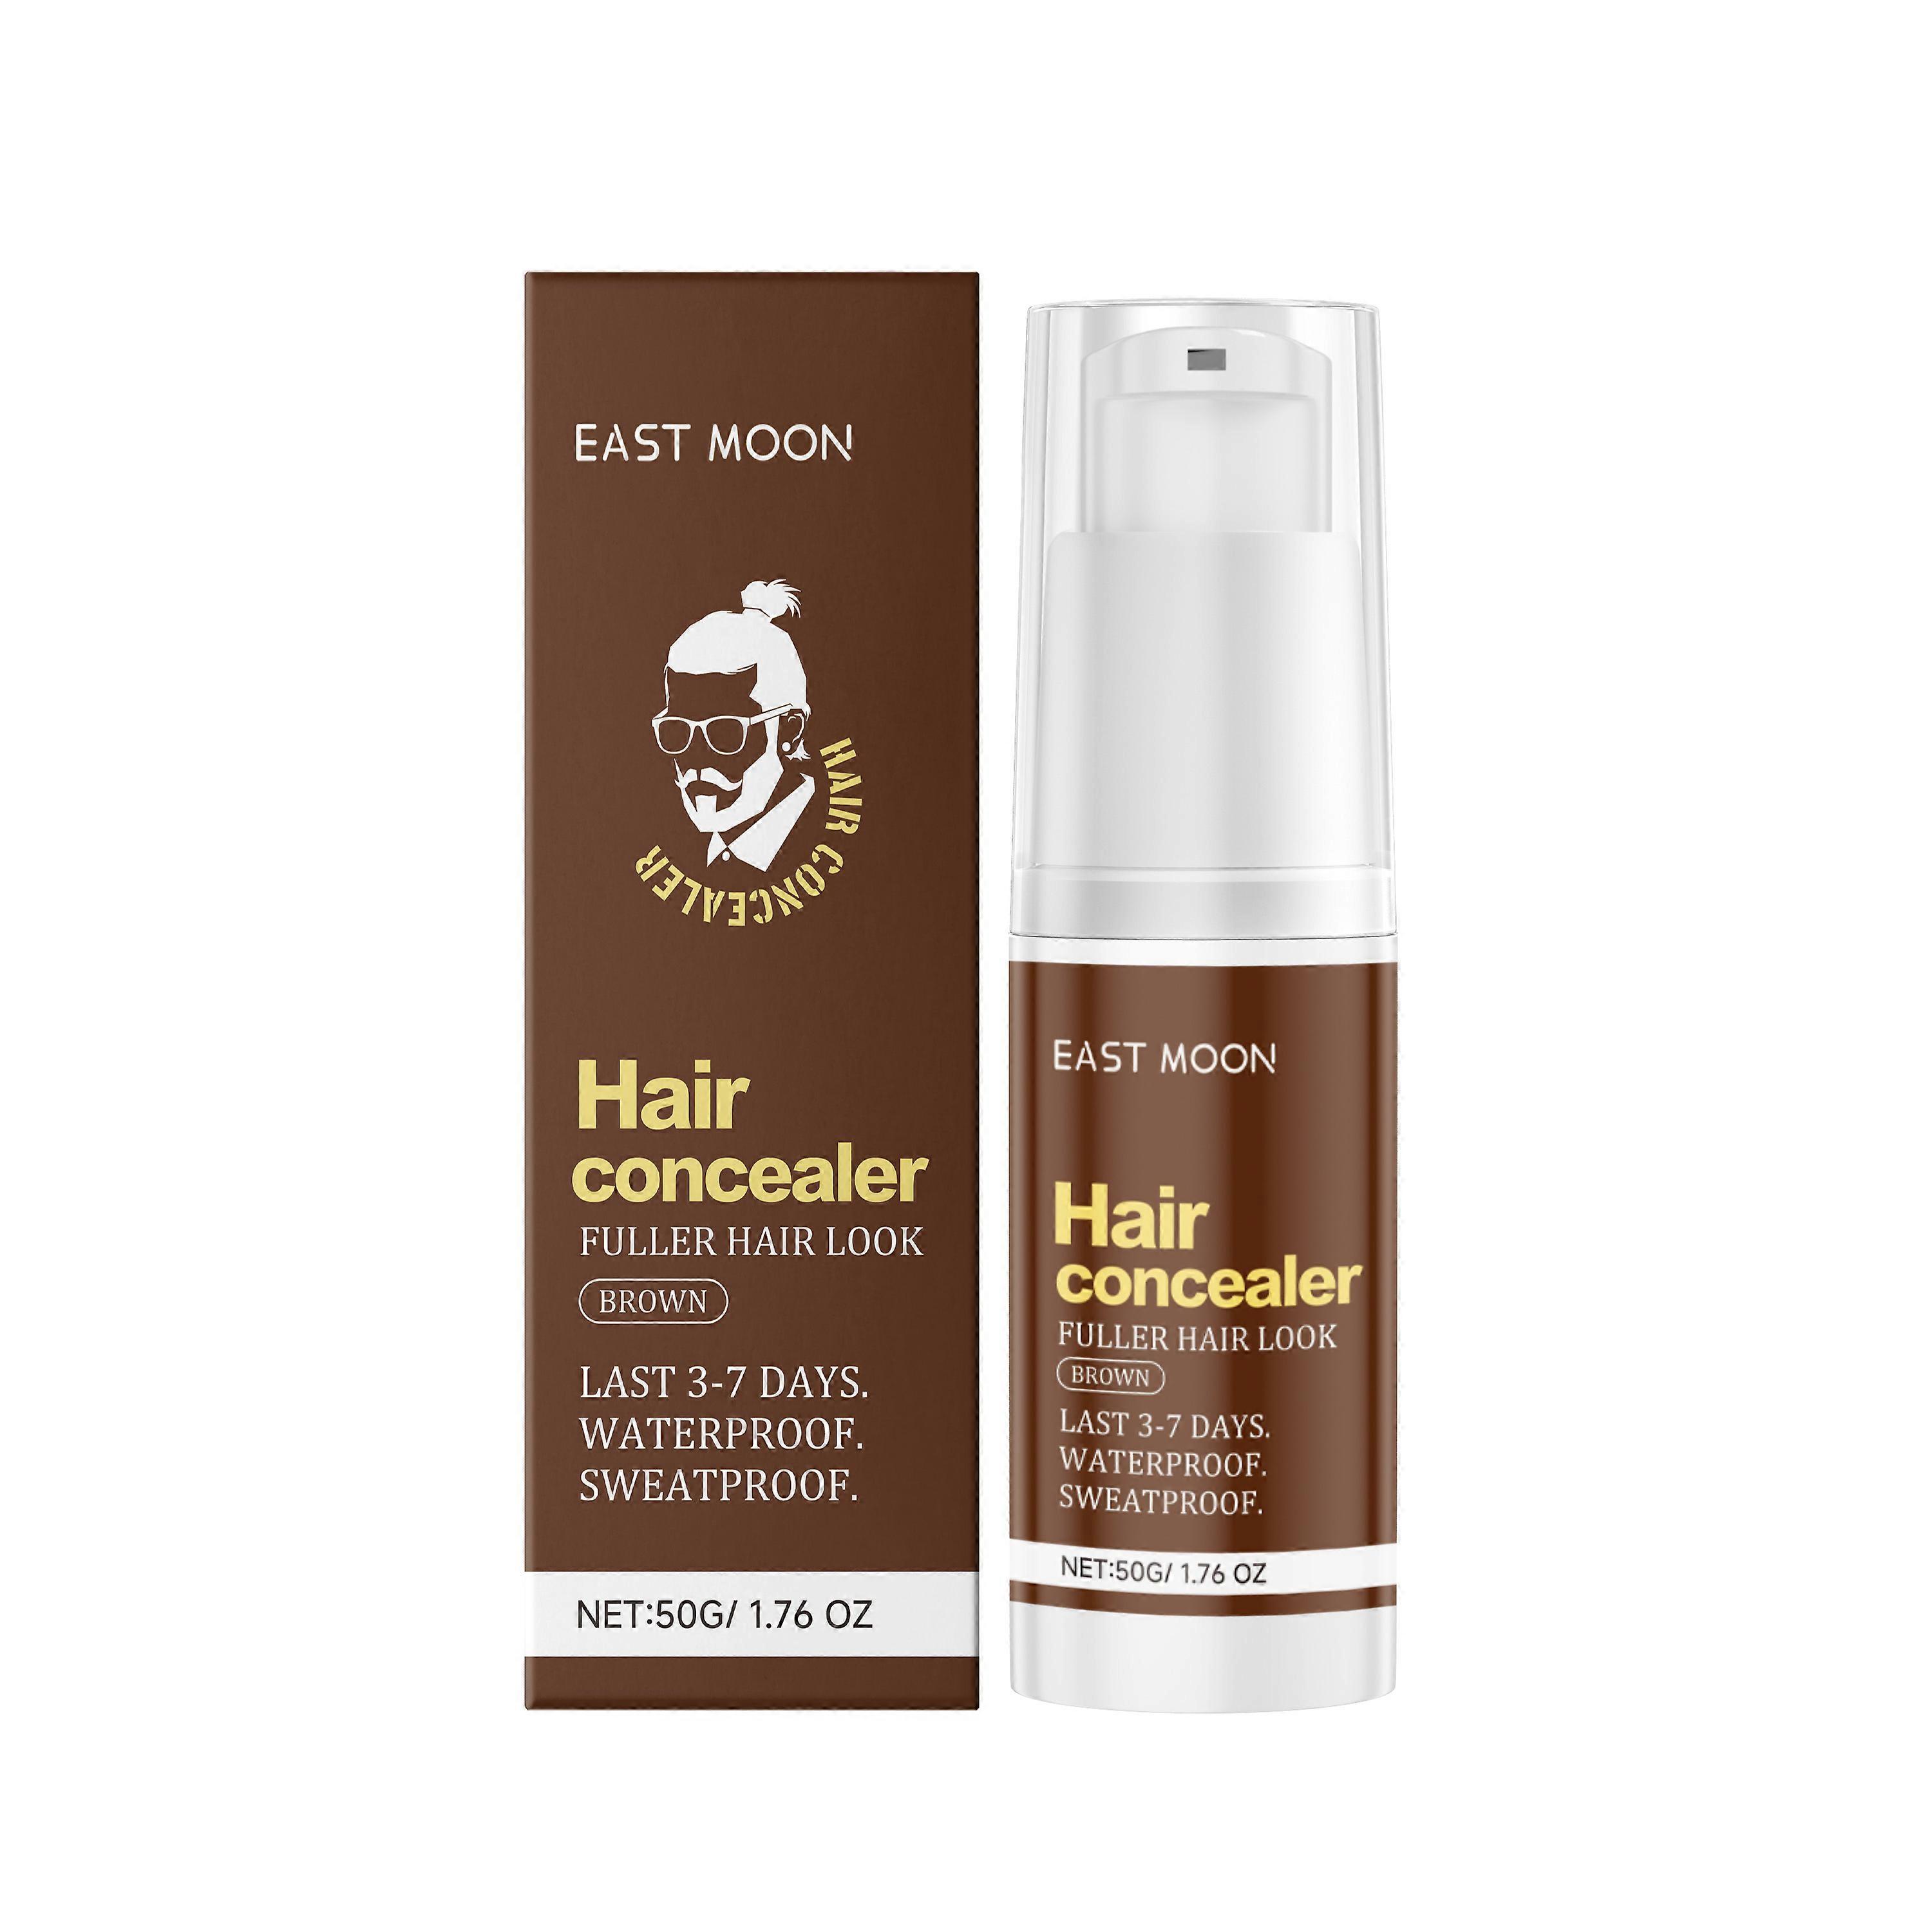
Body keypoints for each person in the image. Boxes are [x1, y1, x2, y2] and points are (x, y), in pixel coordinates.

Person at [650, 580, 815, 871]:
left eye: (725, 732)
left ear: (790, 730)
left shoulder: (814, 838)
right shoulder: (713, 856)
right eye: (678, 731)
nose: (696, 761)